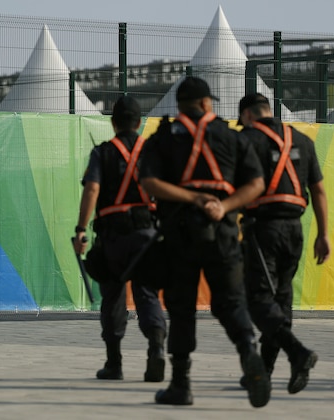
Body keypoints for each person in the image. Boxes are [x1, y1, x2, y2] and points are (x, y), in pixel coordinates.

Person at [138, 77, 270, 408]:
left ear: (180, 106)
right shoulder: (232, 137)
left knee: (181, 308)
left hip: (180, 234)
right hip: (223, 231)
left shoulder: (164, 137)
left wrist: (192, 198)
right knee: (230, 302)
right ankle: (248, 351)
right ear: (207, 103)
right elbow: (256, 184)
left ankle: (181, 385)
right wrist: (221, 205)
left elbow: (149, 182)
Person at [237, 93, 330, 394]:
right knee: (281, 301)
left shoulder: (247, 139)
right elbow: (318, 191)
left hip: (263, 229)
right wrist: (323, 235)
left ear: (249, 115)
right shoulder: (301, 139)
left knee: (259, 300)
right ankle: (263, 370)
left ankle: (298, 353)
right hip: (295, 230)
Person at [73, 95, 167, 383]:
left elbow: (91, 191)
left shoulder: (103, 153)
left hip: (113, 237)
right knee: (147, 293)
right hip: (147, 235)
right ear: (139, 124)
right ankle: (156, 348)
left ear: (113, 123)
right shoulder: (152, 152)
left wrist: (81, 230)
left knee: (113, 297)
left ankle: (114, 362)